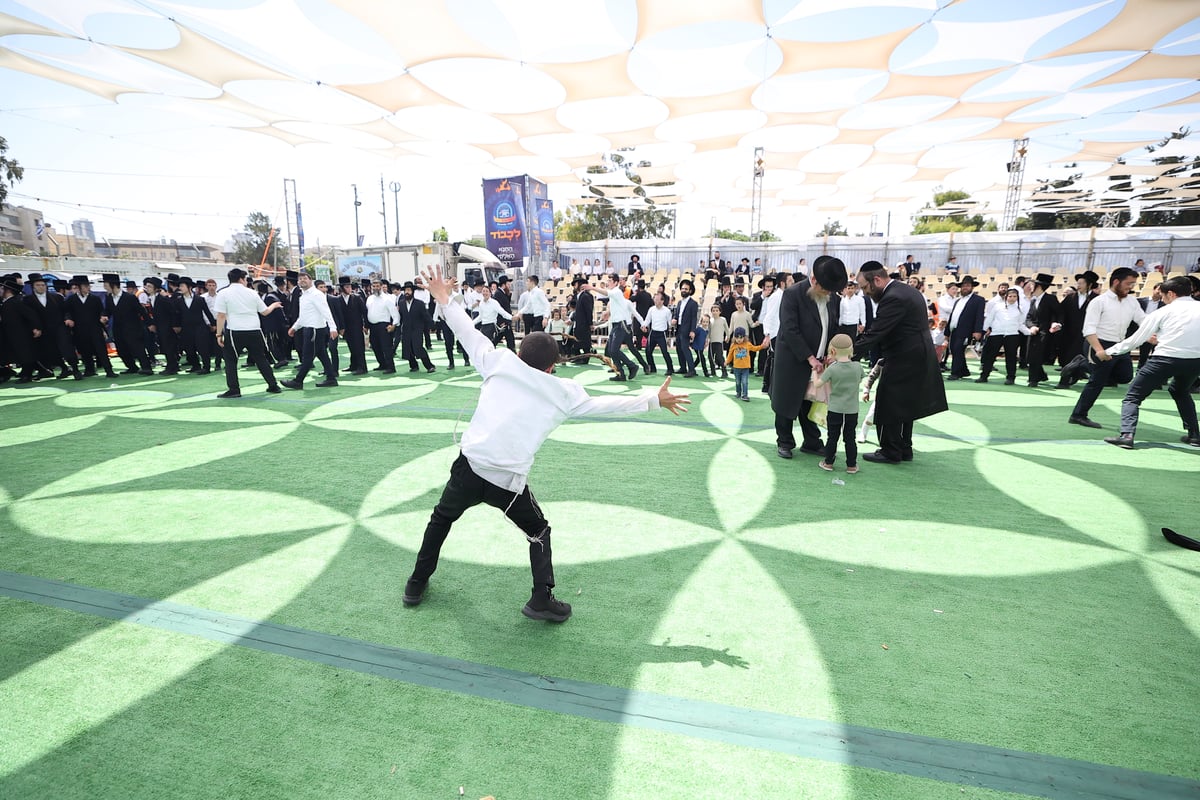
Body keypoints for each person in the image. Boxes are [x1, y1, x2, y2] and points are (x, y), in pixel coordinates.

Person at [402, 265, 691, 622]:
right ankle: (541, 600)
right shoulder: (562, 393)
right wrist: (652, 400)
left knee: (441, 518)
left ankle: (416, 583)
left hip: (470, 466)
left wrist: (444, 297)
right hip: (507, 481)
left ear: (520, 353)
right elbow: (606, 406)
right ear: (553, 368)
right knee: (538, 531)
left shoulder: (498, 361)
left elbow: (465, 330)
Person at [853, 261, 948, 463]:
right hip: (917, 355)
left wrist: (846, 354)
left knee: (889, 403)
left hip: (904, 357)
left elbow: (876, 332)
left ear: (876, 280)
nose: (865, 293)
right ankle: (904, 448)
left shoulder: (893, 298)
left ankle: (890, 451)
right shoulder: (906, 291)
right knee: (906, 405)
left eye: (864, 287)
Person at [1095, 276, 1200, 448]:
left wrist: (1106, 352)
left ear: (1171, 294)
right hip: (1195, 361)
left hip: (1164, 359)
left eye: (1163, 296)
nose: (1163, 300)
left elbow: (1135, 340)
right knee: (1180, 391)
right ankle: (1195, 435)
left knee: (1133, 397)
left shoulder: (1163, 312)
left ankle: (1127, 435)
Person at [770, 257, 845, 459]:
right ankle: (784, 441)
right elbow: (790, 329)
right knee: (787, 401)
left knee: (811, 402)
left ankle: (812, 442)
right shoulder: (793, 294)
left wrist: (832, 352)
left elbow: (835, 326)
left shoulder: (833, 298)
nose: (829, 293)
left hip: (820, 360)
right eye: (826, 288)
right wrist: (810, 357)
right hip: (793, 359)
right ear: (814, 280)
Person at [1068, 267, 1145, 429]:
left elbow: (1143, 320)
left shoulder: (1132, 301)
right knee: (1097, 381)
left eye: (1133, 284)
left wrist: (1152, 335)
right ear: (1116, 282)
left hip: (1119, 345)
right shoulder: (1099, 302)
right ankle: (1078, 415)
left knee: (1125, 376)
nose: (1131, 287)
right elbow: (1088, 330)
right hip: (1098, 343)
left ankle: (1081, 364)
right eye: (1129, 283)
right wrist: (1099, 350)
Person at [213, 267, 284, 399]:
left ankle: (234, 389)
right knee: (261, 359)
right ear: (241, 279)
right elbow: (264, 312)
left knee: (231, 361)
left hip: (235, 331)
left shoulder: (223, 293)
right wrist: (274, 305)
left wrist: (218, 334)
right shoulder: (252, 293)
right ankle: (273, 385)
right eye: (245, 279)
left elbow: (221, 315)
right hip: (255, 330)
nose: (246, 281)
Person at [281, 270, 339, 390]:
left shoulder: (316, 295)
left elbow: (326, 311)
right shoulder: (304, 295)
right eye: (300, 279)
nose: (302, 280)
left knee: (307, 357)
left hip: (315, 330)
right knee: (322, 354)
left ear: (310, 281)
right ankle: (331, 378)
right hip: (310, 328)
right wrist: (294, 327)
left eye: (305, 278)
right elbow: (304, 316)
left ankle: (298, 381)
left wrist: (333, 327)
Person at [813, 333, 862, 473]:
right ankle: (851, 465)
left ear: (832, 351)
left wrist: (815, 372)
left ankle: (828, 463)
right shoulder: (857, 367)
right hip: (852, 410)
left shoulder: (832, 369)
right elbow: (860, 379)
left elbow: (817, 384)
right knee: (850, 438)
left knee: (832, 437)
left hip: (835, 409)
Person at [64, 275, 115, 378]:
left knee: (101, 350)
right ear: (79, 287)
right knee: (84, 350)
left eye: (88, 285)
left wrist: (102, 318)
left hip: (95, 328)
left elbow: (101, 311)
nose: (88, 288)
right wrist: (68, 319)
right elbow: (67, 312)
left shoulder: (95, 299)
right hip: (79, 330)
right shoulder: (71, 300)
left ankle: (109, 370)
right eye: (85, 286)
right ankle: (89, 370)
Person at [976, 287, 1030, 384]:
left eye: (1014, 296)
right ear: (1006, 297)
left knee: (1011, 357)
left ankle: (1010, 378)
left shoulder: (1020, 309)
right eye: (1010, 296)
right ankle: (984, 376)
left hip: (1012, 335)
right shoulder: (997, 306)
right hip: (996, 334)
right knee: (990, 356)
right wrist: (982, 331)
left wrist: (1028, 332)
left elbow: (1020, 324)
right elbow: (989, 320)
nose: (1012, 298)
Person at [599, 272, 641, 382]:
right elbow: (614, 309)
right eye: (608, 280)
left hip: (621, 325)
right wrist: (607, 312)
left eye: (610, 281)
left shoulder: (616, 292)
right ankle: (622, 372)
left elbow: (606, 293)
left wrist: (591, 287)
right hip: (616, 325)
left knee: (615, 350)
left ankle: (631, 367)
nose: (608, 282)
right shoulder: (614, 295)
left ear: (616, 283)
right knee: (612, 350)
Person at [1023, 273, 1063, 387]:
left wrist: (1057, 323)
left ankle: (1033, 379)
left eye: (1032, 285)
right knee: (1030, 356)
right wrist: (1031, 326)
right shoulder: (1033, 300)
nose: (1030, 287)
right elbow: (1029, 317)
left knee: (1037, 356)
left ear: (1039, 286)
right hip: (1033, 332)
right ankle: (1041, 376)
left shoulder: (1050, 299)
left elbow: (1059, 313)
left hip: (1046, 332)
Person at [945, 275, 986, 380]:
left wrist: (978, 330)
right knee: (954, 350)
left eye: (967, 285)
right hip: (954, 329)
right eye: (963, 285)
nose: (965, 288)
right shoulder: (958, 301)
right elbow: (952, 316)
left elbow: (979, 316)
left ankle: (956, 373)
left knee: (958, 349)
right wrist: (947, 332)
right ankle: (964, 370)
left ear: (972, 287)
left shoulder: (978, 300)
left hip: (966, 330)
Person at [176, 276, 217, 374]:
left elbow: (207, 312)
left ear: (189, 287)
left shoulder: (199, 299)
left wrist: (213, 324)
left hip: (200, 327)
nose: (180, 288)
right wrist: (177, 326)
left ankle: (206, 367)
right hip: (186, 328)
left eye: (182, 286)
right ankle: (195, 365)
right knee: (189, 348)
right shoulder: (179, 300)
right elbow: (177, 314)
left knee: (202, 347)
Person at [397, 281, 436, 373]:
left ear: (413, 292)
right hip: (406, 329)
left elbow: (426, 315)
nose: (407, 292)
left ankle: (429, 366)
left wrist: (432, 325)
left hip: (417, 328)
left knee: (418, 347)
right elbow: (400, 317)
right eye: (406, 290)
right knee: (407, 347)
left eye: (409, 290)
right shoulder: (401, 303)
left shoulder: (419, 303)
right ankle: (413, 365)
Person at [365, 278, 399, 373]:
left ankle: (390, 367)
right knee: (375, 346)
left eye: (377, 286)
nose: (375, 288)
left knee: (386, 347)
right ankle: (382, 364)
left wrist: (394, 325)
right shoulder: (370, 298)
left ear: (381, 286)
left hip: (384, 326)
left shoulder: (387, 299)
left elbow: (395, 313)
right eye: (374, 286)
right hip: (373, 326)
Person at [337, 276, 369, 374]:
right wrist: (340, 328)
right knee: (351, 347)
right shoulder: (338, 299)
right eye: (346, 287)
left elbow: (364, 312)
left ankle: (362, 367)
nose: (349, 289)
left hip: (357, 326)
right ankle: (353, 365)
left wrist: (366, 325)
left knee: (359, 347)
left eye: (350, 286)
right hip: (345, 328)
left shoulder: (357, 297)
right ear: (342, 288)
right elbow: (338, 315)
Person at [725, 326, 767, 401]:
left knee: (745, 382)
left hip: (745, 368)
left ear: (744, 337)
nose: (739, 340)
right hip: (736, 368)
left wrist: (761, 347)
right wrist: (727, 362)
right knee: (738, 382)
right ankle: (738, 392)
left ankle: (745, 395)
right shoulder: (733, 345)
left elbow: (754, 348)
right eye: (737, 337)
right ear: (734, 338)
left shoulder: (747, 344)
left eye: (741, 337)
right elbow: (730, 355)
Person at [642, 291, 674, 375]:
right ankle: (652, 367)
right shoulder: (651, 309)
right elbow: (647, 320)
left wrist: (672, 324)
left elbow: (670, 323)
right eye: (654, 299)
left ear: (662, 301)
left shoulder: (667, 311)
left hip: (661, 334)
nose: (655, 301)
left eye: (657, 299)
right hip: (653, 333)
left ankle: (670, 368)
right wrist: (644, 325)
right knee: (648, 351)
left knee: (664, 352)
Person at [672, 278, 699, 377]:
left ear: (690, 291)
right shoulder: (679, 302)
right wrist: (674, 319)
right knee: (679, 349)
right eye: (682, 288)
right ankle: (683, 367)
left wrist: (692, 330)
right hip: (678, 329)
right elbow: (677, 314)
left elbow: (694, 318)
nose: (684, 290)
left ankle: (691, 369)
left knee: (685, 349)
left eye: (686, 289)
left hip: (687, 330)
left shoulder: (693, 303)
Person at [569, 275, 594, 357]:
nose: (574, 286)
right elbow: (577, 311)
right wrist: (572, 319)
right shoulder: (578, 296)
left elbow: (588, 311)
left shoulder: (586, 296)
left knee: (585, 343)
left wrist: (590, 323)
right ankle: (579, 357)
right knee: (577, 341)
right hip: (578, 323)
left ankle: (586, 358)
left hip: (584, 324)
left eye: (575, 284)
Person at [708, 304, 729, 378]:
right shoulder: (710, 320)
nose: (715, 312)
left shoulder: (723, 320)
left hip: (719, 341)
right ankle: (713, 371)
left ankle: (724, 371)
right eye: (713, 311)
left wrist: (727, 336)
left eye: (717, 311)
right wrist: (707, 339)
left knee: (720, 357)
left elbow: (727, 329)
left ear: (720, 312)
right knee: (710, 357)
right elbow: (708, 331)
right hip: (711, 342)